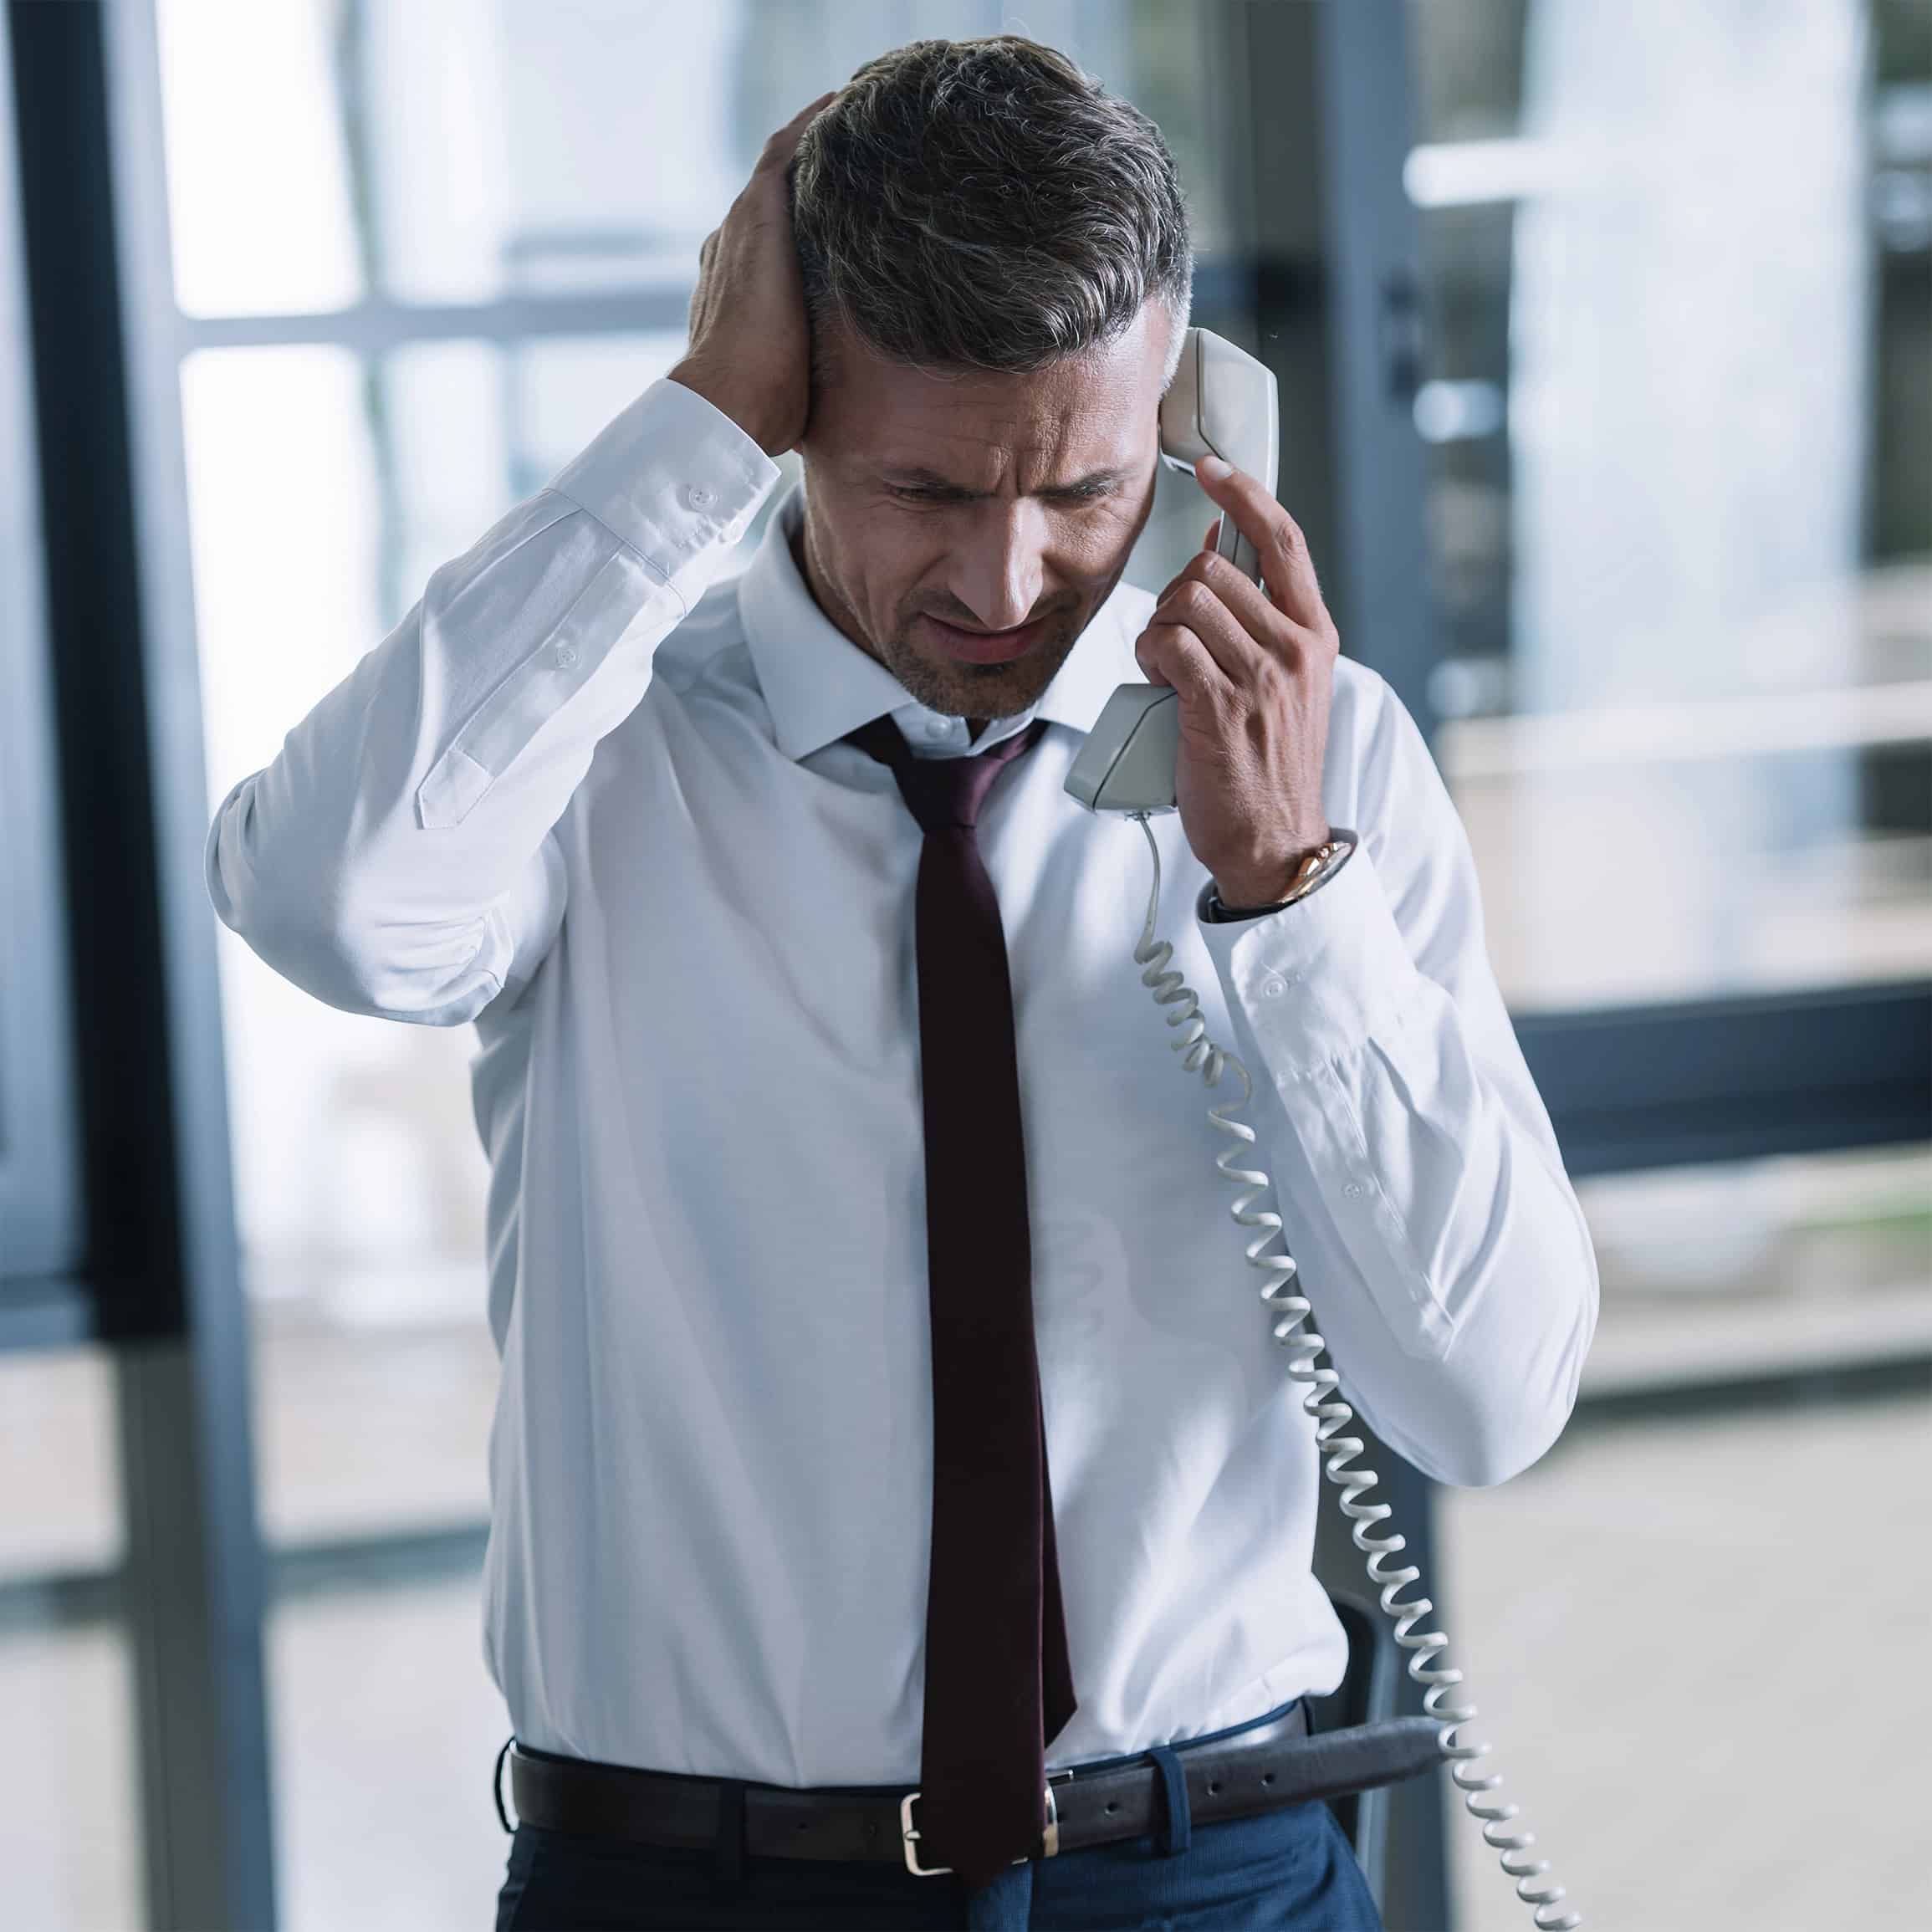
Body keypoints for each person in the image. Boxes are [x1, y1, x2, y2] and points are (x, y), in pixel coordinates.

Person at [204, 34, 1597, 1932]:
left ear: (1195, 418)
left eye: (1084, 490)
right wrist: (695, 415)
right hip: (688, 1885)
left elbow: (1489, 1400)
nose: (1008, 581)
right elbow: (322, 904)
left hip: (1208, 1871)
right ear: (793, 410)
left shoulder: (1305, 770)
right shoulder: (590, 756)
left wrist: (1286, 899)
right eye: (923, 487)